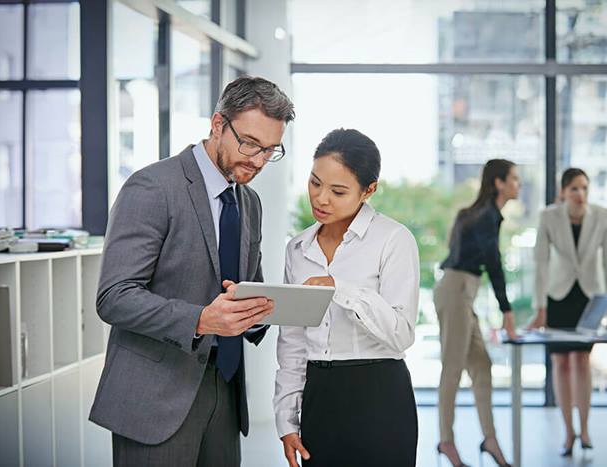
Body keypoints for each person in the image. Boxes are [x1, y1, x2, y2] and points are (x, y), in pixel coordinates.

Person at [89, 76, 295, 466]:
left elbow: (243, 287)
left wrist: (258, 313)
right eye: (249, 143)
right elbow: (114, 297)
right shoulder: (152, 187)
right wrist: (201, 319)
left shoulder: (249, 202)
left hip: (226, 391)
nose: (256, 160)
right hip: (156, 398)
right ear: (218, 124)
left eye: (270, 150)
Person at [273, 129, 420, 467]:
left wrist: (340, 289)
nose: (321, 198)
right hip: (319, 395)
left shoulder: (393, 240)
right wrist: (286, 419)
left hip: (379, 394)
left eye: (338, 191)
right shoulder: (298, 248)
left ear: (369, 191)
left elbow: (401, 333)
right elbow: (293, 343)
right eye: (314, 183)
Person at [528, 168, 607, 457]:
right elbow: (540, 264)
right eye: (575, 189)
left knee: (582, 360)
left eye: (585, 189)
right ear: (563, 192)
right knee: (561, 364)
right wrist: (540, 308)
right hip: (558, 297)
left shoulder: (603, 216)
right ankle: (568, 433)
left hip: (589, 297)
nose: (581, 195)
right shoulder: (548, 217)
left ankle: (585, 428)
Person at [434, 159, 519, 467]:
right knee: (453, 369)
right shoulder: (486, 217)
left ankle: (490, 439)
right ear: (498, 183)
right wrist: (507, 312)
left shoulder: (475, 214)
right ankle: (446, 441)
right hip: (456, 290)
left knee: (481, 365)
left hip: (462, 292)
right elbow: (493, 264)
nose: (518, 185)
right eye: (514, 179)